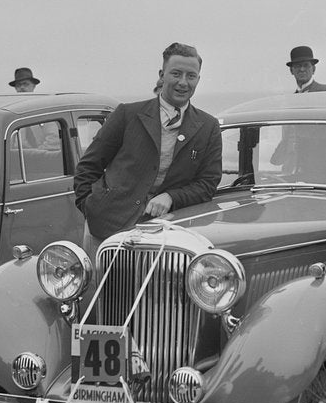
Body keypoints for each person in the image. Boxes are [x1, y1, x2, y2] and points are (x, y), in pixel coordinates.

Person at [74, 42, 222, 253]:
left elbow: (207, 184)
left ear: (198, 79)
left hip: (165, 236)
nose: (183, 82)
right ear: (162, 75)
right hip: (106, 229)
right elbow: (88, 167)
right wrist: (90, 208)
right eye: (176, 74)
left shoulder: (208, 126)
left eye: (191, 76)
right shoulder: (127, 114)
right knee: (99, 286)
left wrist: (171, 197)